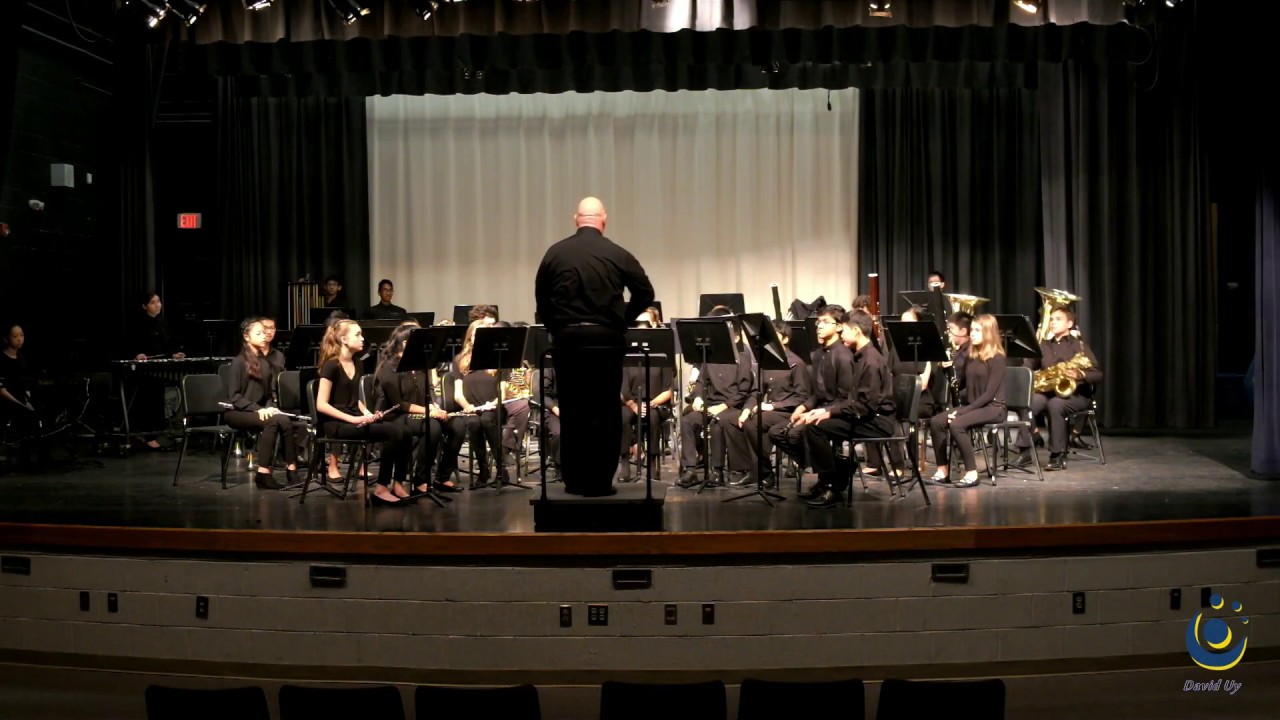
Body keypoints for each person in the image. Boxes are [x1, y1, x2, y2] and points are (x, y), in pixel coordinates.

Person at [534, 196, 654, 496]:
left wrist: (558, 329)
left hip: (569, 342)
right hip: (606, 342)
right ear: (604, 219)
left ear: (577, 219)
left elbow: (541, 300)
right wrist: (620, 321)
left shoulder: (555, 253)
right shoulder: (617, 253)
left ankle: (574, 481)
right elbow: (645, 292)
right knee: (605, 411)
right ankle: (601, 481)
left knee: (573, 412)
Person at [315, 319, 409, 505]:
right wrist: (351, 419)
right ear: (343, 339)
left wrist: (367, 413)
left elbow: (355, 399)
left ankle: (397, 483)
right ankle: (381, 488)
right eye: (357, 334)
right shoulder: (331, 365)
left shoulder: (358, 363)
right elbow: (321, 404)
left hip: (354, 419)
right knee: (394, 432)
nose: (362, 338)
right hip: (336, 424)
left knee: (405, 431)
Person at [770, 305, 853, 502]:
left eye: (825, 322)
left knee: (804, 431)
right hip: (820, 409)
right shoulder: (818, 354)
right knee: (778, 433)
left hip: (838, 412)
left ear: (839, 327)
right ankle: (837, 468)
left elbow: (845, 397)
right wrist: (804, 406)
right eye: (818, 322)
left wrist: (818, 412)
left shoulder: (843, 355)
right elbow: (817, 392)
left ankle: (829, 482)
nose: (819, 327)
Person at [375, 322, 458, 496]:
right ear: (406, 343)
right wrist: (430, 412)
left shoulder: (419, 365)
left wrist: (435, 407)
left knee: (457, 425)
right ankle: (420, 479)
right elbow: (399, 403)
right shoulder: (388, 367)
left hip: (417, 414)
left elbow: (426, 393)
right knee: (433, 427)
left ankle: (441, 476)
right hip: (395, 415)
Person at [676, 307, 755, 488]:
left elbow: (743, 391)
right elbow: (701, 381)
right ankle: (690, 469)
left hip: (733, 406)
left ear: (735, 337)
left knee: (718, 422)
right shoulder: (710, 353)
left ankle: (717, 471)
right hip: (710, 403)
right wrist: (697, 397)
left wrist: (723, 406)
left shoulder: (744, 355)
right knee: (688, 420)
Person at [221, 318, 303, 490]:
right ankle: (263, 473)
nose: (264, 336)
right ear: (247, 337)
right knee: (272, 421)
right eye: (258, 333)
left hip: (257, 410)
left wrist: (270, 406)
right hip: (236, 411)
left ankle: (292, 470)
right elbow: (234, 397)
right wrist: (258, 410)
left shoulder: (265, 362)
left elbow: (267, 394)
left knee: (285, 421)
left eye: (264, 333)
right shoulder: (238, 362)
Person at [1016, 307, 1102, 471]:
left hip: (1076, 394)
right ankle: (1026, 449)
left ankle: (1057, 454)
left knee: (1056, 405)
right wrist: (1027, 359)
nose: (1052, 322)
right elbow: (1028, 368)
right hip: (1048, 391)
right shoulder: (1043, 345)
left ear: (1069, 323)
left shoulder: (1079, 346)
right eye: (1052, 319)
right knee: (1026, 402)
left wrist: (1080, 374)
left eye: (1058, 319)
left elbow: (1098, 374)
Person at [928, 314, 1007, 487]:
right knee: (936, 422)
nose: (973, 334)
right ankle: (942, 470)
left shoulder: (997, 358)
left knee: (957, 424)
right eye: (972, 330)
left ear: (988, 333)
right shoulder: (971, 356)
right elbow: (960, 383)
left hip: (993, 407)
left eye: (978, 330)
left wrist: (963, 411)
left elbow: (988, 394)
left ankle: (972, 472)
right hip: (973, 406)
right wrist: (947, 369)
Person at [738, 319, 811, 489]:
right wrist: (746, 409)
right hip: (770, 412)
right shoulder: (767, 362)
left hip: (788, 412)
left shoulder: (796, 363)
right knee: (746, 422)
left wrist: (772, 406)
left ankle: (764, 472)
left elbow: (802, 398)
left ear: (785, 339)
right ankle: (762, 471)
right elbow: (757, 391)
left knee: (755, 424)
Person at [126, 292, 184, 450]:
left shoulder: (162, 322)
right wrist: (137, 354)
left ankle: (159, 434)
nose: (157, 305)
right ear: (145, 306)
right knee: (147, 401)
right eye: (153, 302)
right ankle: (147, 436)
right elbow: (130, 343)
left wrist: (174, 354)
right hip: (143, 369)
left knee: (158, 399)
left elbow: (167, 344)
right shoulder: (137, 323)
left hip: (159, 367)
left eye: (158, 301)